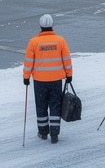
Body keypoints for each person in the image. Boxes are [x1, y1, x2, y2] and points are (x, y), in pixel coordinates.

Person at [24, 14, 73, 144]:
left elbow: (29, 61)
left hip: (40, 81)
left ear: (40, 26)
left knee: (41, 106)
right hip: (56, 80)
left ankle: (43, 132)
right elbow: (67, 60)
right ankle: (55, 134)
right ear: (52, 25)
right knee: (55, 106)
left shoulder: (34, 42)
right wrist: (69, 75)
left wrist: (26, 77)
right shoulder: (60, 41)